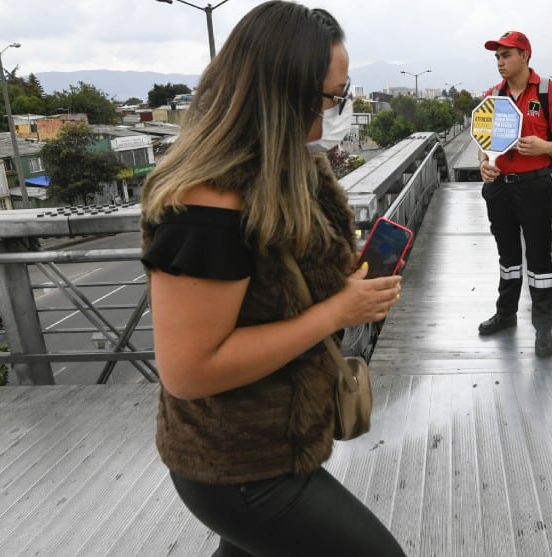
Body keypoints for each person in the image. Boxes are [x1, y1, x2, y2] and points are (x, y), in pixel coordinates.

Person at [139, 2, 405, 555]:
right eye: (333, 96)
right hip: (237, 465)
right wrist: (338, 311)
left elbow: (276, 289)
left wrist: (345, 281)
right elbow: (190, 370)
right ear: (286, 94)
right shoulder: (207, 204)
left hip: (278, 442)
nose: (337, 109)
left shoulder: (291, 165)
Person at [476, 30, 552, 358]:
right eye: (497, 57)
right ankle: (506, 314)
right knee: (508, 258)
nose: (500, 62)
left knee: (540, 258)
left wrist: (544, 147)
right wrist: (484, 166)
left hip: (534, 185)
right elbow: (483, 144)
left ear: (525, 56)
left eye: (506, 56)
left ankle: (543, 328)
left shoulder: (548, 92)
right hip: (500, 187)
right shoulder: (493, 96)